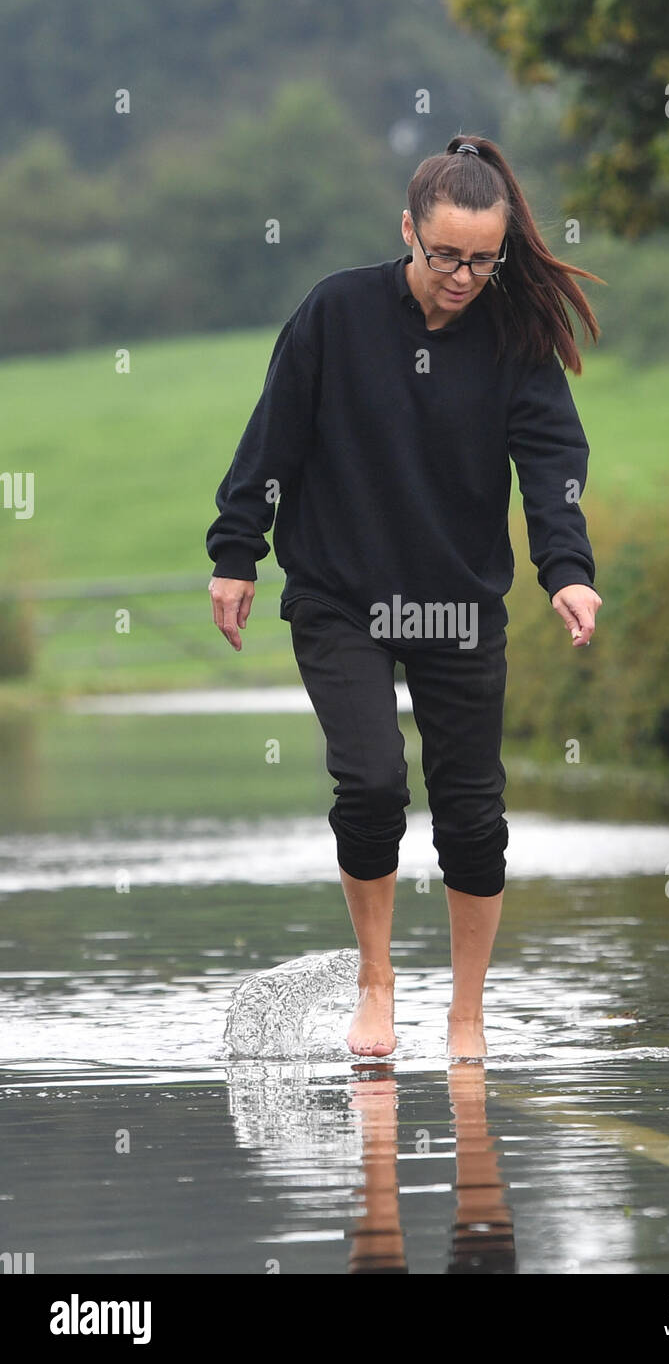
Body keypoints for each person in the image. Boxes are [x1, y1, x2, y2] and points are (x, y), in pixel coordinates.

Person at [206, 134, 603, 1061]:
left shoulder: (514, 337)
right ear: (407, 233)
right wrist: (236, 553)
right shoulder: (336, 313)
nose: (463, 275)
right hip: (339, 594)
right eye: (445, 256)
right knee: (375, 780)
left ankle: (465, 1014)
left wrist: (568, 569)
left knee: (470, 813)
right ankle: (376, 982)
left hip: (458, 603)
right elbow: (272, 441)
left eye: (482, 259)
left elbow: (552, 466)